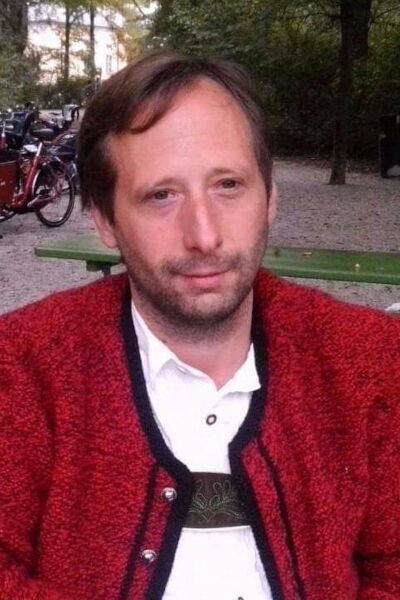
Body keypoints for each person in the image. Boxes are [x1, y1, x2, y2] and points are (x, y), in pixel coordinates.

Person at [1, 52, 400, 600]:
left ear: (270, 196)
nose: (205, 236)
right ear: (106, 220)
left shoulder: (373, 362)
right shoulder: (21, 368)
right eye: (161, 196)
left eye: (228, 184)